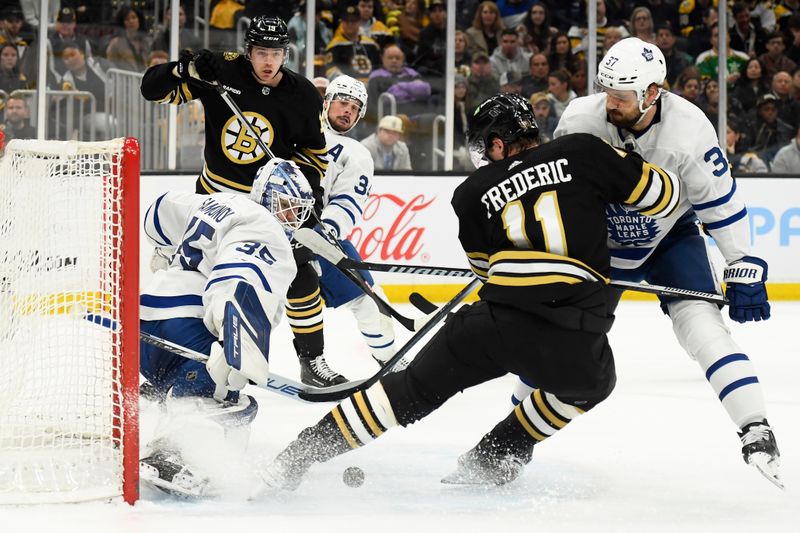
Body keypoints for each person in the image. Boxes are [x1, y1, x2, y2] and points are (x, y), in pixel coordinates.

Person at [253, 92, 680, 492]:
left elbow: (484, 271)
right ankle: (497, 454)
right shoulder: (585, 150)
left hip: (494, 324)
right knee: (594, 381)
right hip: (571, 328)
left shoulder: (471, 193)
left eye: (483, 145)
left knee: (407, 393)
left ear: (499, 143)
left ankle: (297, 455)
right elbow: (665, 196)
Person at [547, 37, 781, 488]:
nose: (609, 102)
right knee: (561, 335)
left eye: (621, 95)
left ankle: (756, 427)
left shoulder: (690, 130)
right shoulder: (580, 117)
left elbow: (720, 203)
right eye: (606, 90)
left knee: (703, 324)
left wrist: (741, 260)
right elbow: (559, 191)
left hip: (669, 237)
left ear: (653, 93)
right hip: (601, 241)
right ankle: (513, 431)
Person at [140, 16, 338, 387]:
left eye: (276, 53)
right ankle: (183, 363)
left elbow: (314, 157)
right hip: (215, 201)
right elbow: (153, 90)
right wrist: (183, 69)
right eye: (261, 52)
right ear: (248, 52)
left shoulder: (304, 95)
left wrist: (307, 199)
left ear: (285, 54)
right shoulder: (221, 73)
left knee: (300, 275)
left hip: (268, 208)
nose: (268, 61)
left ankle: (312, 360)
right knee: (200, 282)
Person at [138, 158, 314, 497]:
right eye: (286, 206)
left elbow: (157, 214)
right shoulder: (268, 230)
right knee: (224, 395)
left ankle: (169, 443)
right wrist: (238, 342)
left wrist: (165, 248)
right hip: (189, 328)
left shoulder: (216, 200)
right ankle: (171, 455)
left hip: (146, 324)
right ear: (265, 195)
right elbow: (239, 279)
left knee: (200, 396)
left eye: (297, 212)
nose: (290, 218)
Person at [316, 74, 397, 365]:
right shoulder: (295, 131)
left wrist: (326, 232)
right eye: (342, 102)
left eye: (355, 107)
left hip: (316, 236)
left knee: (370, 303)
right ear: (326, 102)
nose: (348, 110)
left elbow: (347, 201)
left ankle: (391, 363)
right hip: (269, 229)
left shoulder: (356, 153)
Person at [105, 5, 152, 72]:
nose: (131, 21)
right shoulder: (116, 44)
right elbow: (111, 68)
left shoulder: (145, 42)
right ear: (122, 23)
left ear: (139, 20)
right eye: (127, 19)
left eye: (134, 17)